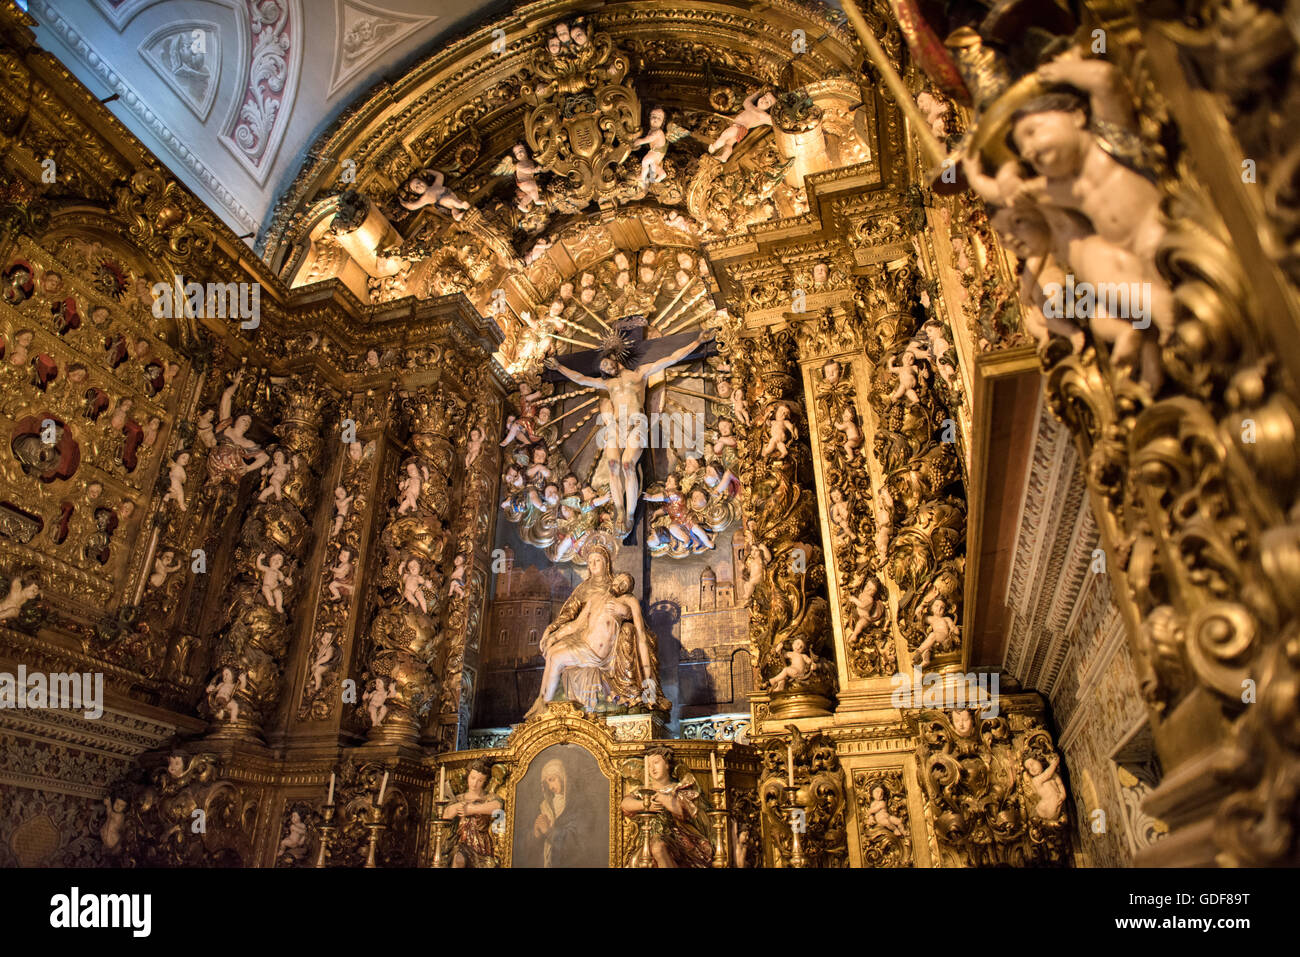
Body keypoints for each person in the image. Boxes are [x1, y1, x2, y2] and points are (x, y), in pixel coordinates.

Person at [547, 330, 711, 533]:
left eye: (606, 363)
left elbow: (671, 358)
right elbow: (580, 379)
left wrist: (697, 340)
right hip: (616, 426)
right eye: (603, 367)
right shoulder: (607, 383)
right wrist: (559, 367)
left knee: (627, 464)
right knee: (613, 465)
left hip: (636, 423)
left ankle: (631, 513)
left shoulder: (639, 373)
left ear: (614, 358)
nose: (605, 368)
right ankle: (620, 511)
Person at [620, 747, 714, 867]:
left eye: (656, 763)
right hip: (647, 838)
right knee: (639, 860)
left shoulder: (677, 788)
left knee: (659, 847)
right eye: (648, 765)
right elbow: (625, 803)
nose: (652, 768)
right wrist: (644, 805)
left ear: (667, 765)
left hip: (675, 837)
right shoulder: (643, 791)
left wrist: (660, 796)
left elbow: (681, 811)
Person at [442, 760, 504, 867]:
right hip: (462, 842)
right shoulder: (459, 798)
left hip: (483, 845)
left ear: (485, 782)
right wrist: (456, 807)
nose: (474, 783)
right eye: (472, 778)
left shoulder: (489, 798)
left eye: (480, 780)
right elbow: (445, 815)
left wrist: (472, 809)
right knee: (458, 859)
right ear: (468, 776)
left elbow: (497, 806)